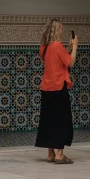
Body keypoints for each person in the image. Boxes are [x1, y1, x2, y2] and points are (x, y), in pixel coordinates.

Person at [35, 18, 78, 164]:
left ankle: (50, 154)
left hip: (46, 89)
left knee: (48, 121)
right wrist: (75, 47)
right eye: (60, 28)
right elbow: (70, 62)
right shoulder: (58, 46)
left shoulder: (45, 47)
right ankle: (60, 154)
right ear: (56, 30)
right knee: (62, 121)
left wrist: (68, 48)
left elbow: (54, 59)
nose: (62, 31)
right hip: (58, 88)